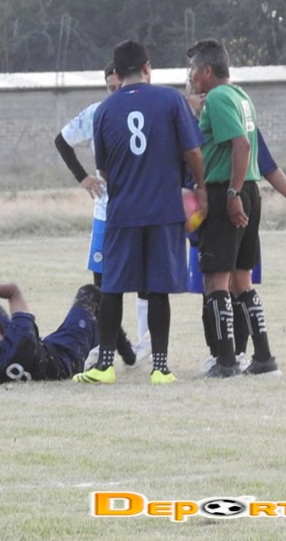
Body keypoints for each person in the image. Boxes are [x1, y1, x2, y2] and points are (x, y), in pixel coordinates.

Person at [73, 39, 206, 385]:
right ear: (148, 68)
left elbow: (103, 169)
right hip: (164, 211)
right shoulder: (171, 100)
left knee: (112, 287)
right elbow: (193, 152)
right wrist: (200, 189)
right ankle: (160, 368)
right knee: (157, 288)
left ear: (116, 74)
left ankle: (104, 365)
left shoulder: (105, 110)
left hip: (122, 212)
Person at [187, 38, 286, 378]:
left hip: (227, 190)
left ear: (207, 70)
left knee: (216, 280)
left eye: (193, 69)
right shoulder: (241, 96)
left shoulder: (218, 97)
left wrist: (231, 193)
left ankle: (226, 362)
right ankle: (264, 358)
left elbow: (240, 145)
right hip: (249, 190)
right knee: (242, 280)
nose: (191, 76)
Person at [54, 62, 148, 367]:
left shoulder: (148, 109)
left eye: (120, 86)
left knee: (145, 281)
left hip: (142, 210)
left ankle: (146, 344)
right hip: (106, 213)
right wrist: (83, 177)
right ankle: (108, 346)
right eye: (111, 88)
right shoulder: (97, 113)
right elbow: (62, 141)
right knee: (103, 283)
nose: (116, 92)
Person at [0, 282, 100, 383]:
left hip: (31, 355)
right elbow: (13, 291)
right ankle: (110, 351)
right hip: (65, 357)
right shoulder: (20, 335)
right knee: (89, 292)